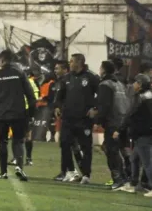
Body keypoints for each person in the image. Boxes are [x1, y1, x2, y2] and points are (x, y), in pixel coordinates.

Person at [0, 50, 36, 181]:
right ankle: (19, 167)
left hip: (2, 114)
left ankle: (3, 172)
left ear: (2, 61)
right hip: (19, 113)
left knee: (3, 142)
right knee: (18, 141)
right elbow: (31, 96)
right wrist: (30, 114)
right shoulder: (20, 74)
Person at [55, 54, 99, 184]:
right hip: (68, 119)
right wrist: (57, 107)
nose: (70, 63)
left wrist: (95, 108)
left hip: (84, 120)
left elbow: (101, 94)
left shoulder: (91, 77)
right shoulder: (66, 78)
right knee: (64, 143)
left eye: (72, 61)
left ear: (79, 62)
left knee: (86, 147)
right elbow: (59, 96)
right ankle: (70, 171)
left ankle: (86, 175)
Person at [115, 73, 152, 197]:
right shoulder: (147, 97)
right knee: (134, 159)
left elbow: (129, 115)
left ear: (140, 85)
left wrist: (119, 129)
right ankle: (134, 184)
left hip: (143, 133)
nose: (133, 84)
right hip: (142, 134)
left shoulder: (140, 99)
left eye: (136, 82)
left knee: (147, 162)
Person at [95, 61, 129, 190]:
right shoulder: (120, 84)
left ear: (103, 70)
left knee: (111, 150)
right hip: (123, 120)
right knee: (120, 149)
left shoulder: (105, 84)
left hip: (113, 122)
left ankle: (118, 179)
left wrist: (98, 121)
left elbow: (104, 105)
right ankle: (126, 177)